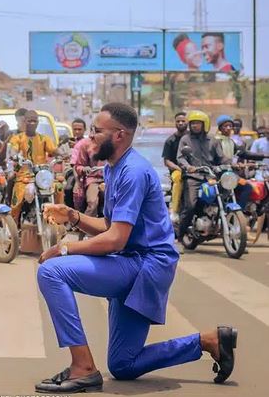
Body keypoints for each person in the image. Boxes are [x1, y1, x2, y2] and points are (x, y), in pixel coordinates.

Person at [35, 103, 237, 393]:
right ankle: (207, 341)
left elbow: (115, 239)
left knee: (52, 272)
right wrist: (73, 216)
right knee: (123, 365)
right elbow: (110, 225)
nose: (90, 137)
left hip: (145, 265)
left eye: (96, 131)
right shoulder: (114, 168)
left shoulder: (133, 171)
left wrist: (65, 249)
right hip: (131, 261)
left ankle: (82, 367)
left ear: (119, 135)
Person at [176, 111, 227, 248]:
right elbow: (180, 157)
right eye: (192, 123)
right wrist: (188, 167)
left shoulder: (213, 141)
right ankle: (179, 238)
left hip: (210, 177)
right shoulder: (185, 140)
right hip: (194, 177)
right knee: (190, 205)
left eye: (197, 123)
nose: (194, 126)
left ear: (205, 124)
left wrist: (231, 163)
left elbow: (221, 158)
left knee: (224, 197)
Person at [8, 110, 61, 222]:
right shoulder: (17, 138)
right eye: (29, 121)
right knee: (18, 197)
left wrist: (63, 154)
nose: (32, 123)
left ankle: (60, 219)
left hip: (42, 174)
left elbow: (54, 150)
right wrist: (14, 156)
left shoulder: (44, 138)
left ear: (37, 122)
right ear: (24, 122)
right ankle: (13, 224)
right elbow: (13, 150)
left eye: (34, 121)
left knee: (59, 189)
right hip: (24, 175)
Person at [162, 112, 188, 222]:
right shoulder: (170, 140)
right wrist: (178, 168)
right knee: (178, 178)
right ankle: (174, 210)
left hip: (194, 170)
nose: (181, 123)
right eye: (178, 121)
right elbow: (167, 161)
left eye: (183, 121)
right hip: (178, 171)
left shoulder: (193, 139)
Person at [70, 135, 104, 217]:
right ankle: (85, 224)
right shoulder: (85, 144)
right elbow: (78, 165)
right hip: (93, 179)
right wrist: (84, 169)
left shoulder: (114, 142)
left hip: (111, 179)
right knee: (92, 202)